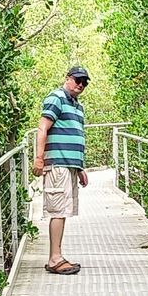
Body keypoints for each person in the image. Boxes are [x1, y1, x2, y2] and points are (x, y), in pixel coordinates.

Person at [32, 66, 90, 274]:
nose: (80, 85)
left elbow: (75, 135)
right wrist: (39, 158)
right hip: (57, 165)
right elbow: (42, 127)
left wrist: (80, 167)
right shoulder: (56, 98)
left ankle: (56, 256)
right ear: (67, 78)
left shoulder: (78, 106)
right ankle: (54, 258)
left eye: (84, 82)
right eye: (77, 80)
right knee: (58, 210)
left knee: (63, 210)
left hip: (70, 166)